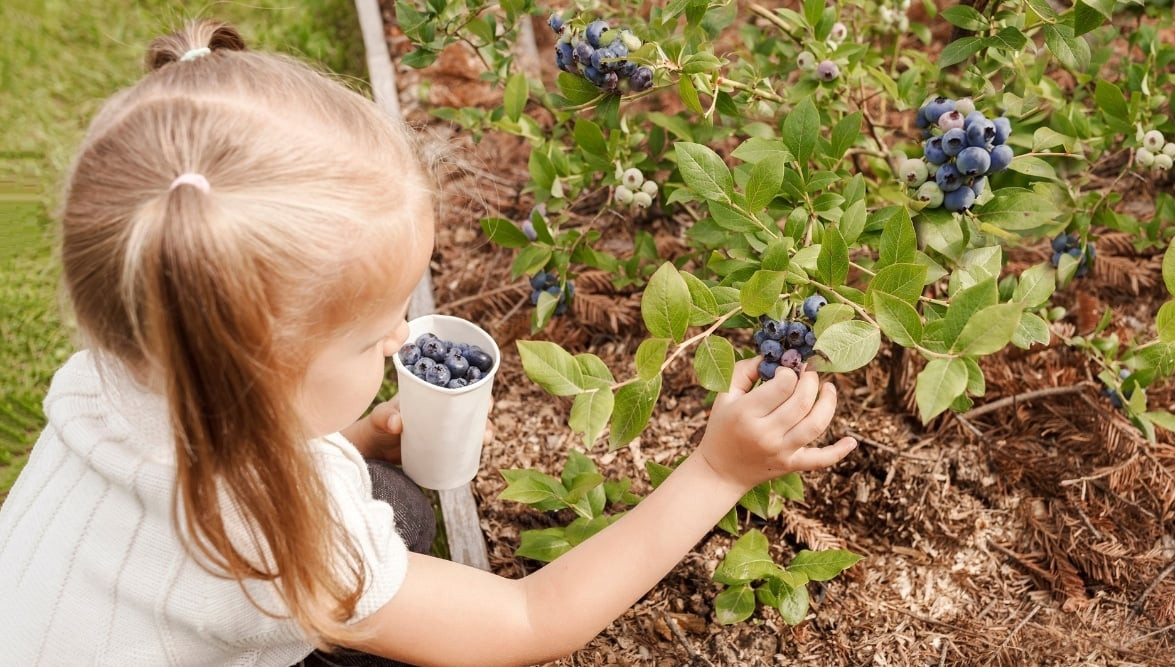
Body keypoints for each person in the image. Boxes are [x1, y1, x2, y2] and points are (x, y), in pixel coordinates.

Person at [0, 19, 858, 666]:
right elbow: (529, 620)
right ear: (256, 378)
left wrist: (344, 442)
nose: (401, 337)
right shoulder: (283, 537)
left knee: (394, 497)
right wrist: (719, 470)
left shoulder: (104, 373)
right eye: (373, 337)